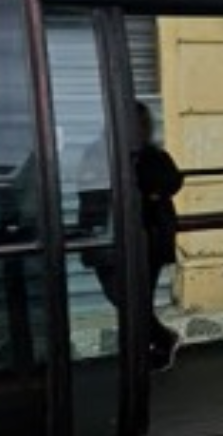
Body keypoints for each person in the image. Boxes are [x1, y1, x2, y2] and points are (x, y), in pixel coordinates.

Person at [77, 102, 184, 371]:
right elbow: (87, 190)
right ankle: (161, 338)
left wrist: (148, 192)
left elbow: (170, 182)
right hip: (106, 238)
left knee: (136, 300)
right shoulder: (97, 152)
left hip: (147, 239)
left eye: (137, 123)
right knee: (120, 297)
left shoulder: (152, 155)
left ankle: (143, 352)